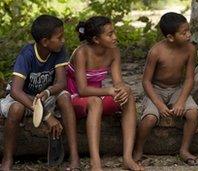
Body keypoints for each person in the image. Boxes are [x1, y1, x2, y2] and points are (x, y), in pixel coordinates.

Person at [0, 15, 79, 170]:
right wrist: (46, 116)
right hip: (23, 99)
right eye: (59, 37)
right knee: (16, 109)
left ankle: (75, 156)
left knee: (64, 97)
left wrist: (48, 93)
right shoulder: (27, 54)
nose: (63, 40)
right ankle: (7, 159)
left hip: (44, 98)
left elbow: (62, 83)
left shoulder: (59, 50)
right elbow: (16, 91)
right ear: (44, 41)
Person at [65, 16, 144, 171]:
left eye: (114, 32)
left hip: (97, 96)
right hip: (75, 98)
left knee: (128, 95)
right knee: (95, 101)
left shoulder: (113, 52)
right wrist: (108, 91)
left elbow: (118, 81)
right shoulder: (81, 53)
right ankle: (96, 163)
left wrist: (123, 88)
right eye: (110, 34)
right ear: (96, 39)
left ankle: (127, 158)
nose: (115, 37)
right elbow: (82, 90)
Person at [133, 12, 198, 166]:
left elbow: (189, 78)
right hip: (155, 90)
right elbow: (146, 82)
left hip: (177, 89)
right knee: (150, 118)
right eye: (183, 33)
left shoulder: (190, 49)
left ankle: (184, 150)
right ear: (170, 37)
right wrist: (160, 105)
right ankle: (137, 150)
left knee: (193, 113)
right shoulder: (156, 51)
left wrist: (181, 101)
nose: (188, 35)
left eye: (188, 30)